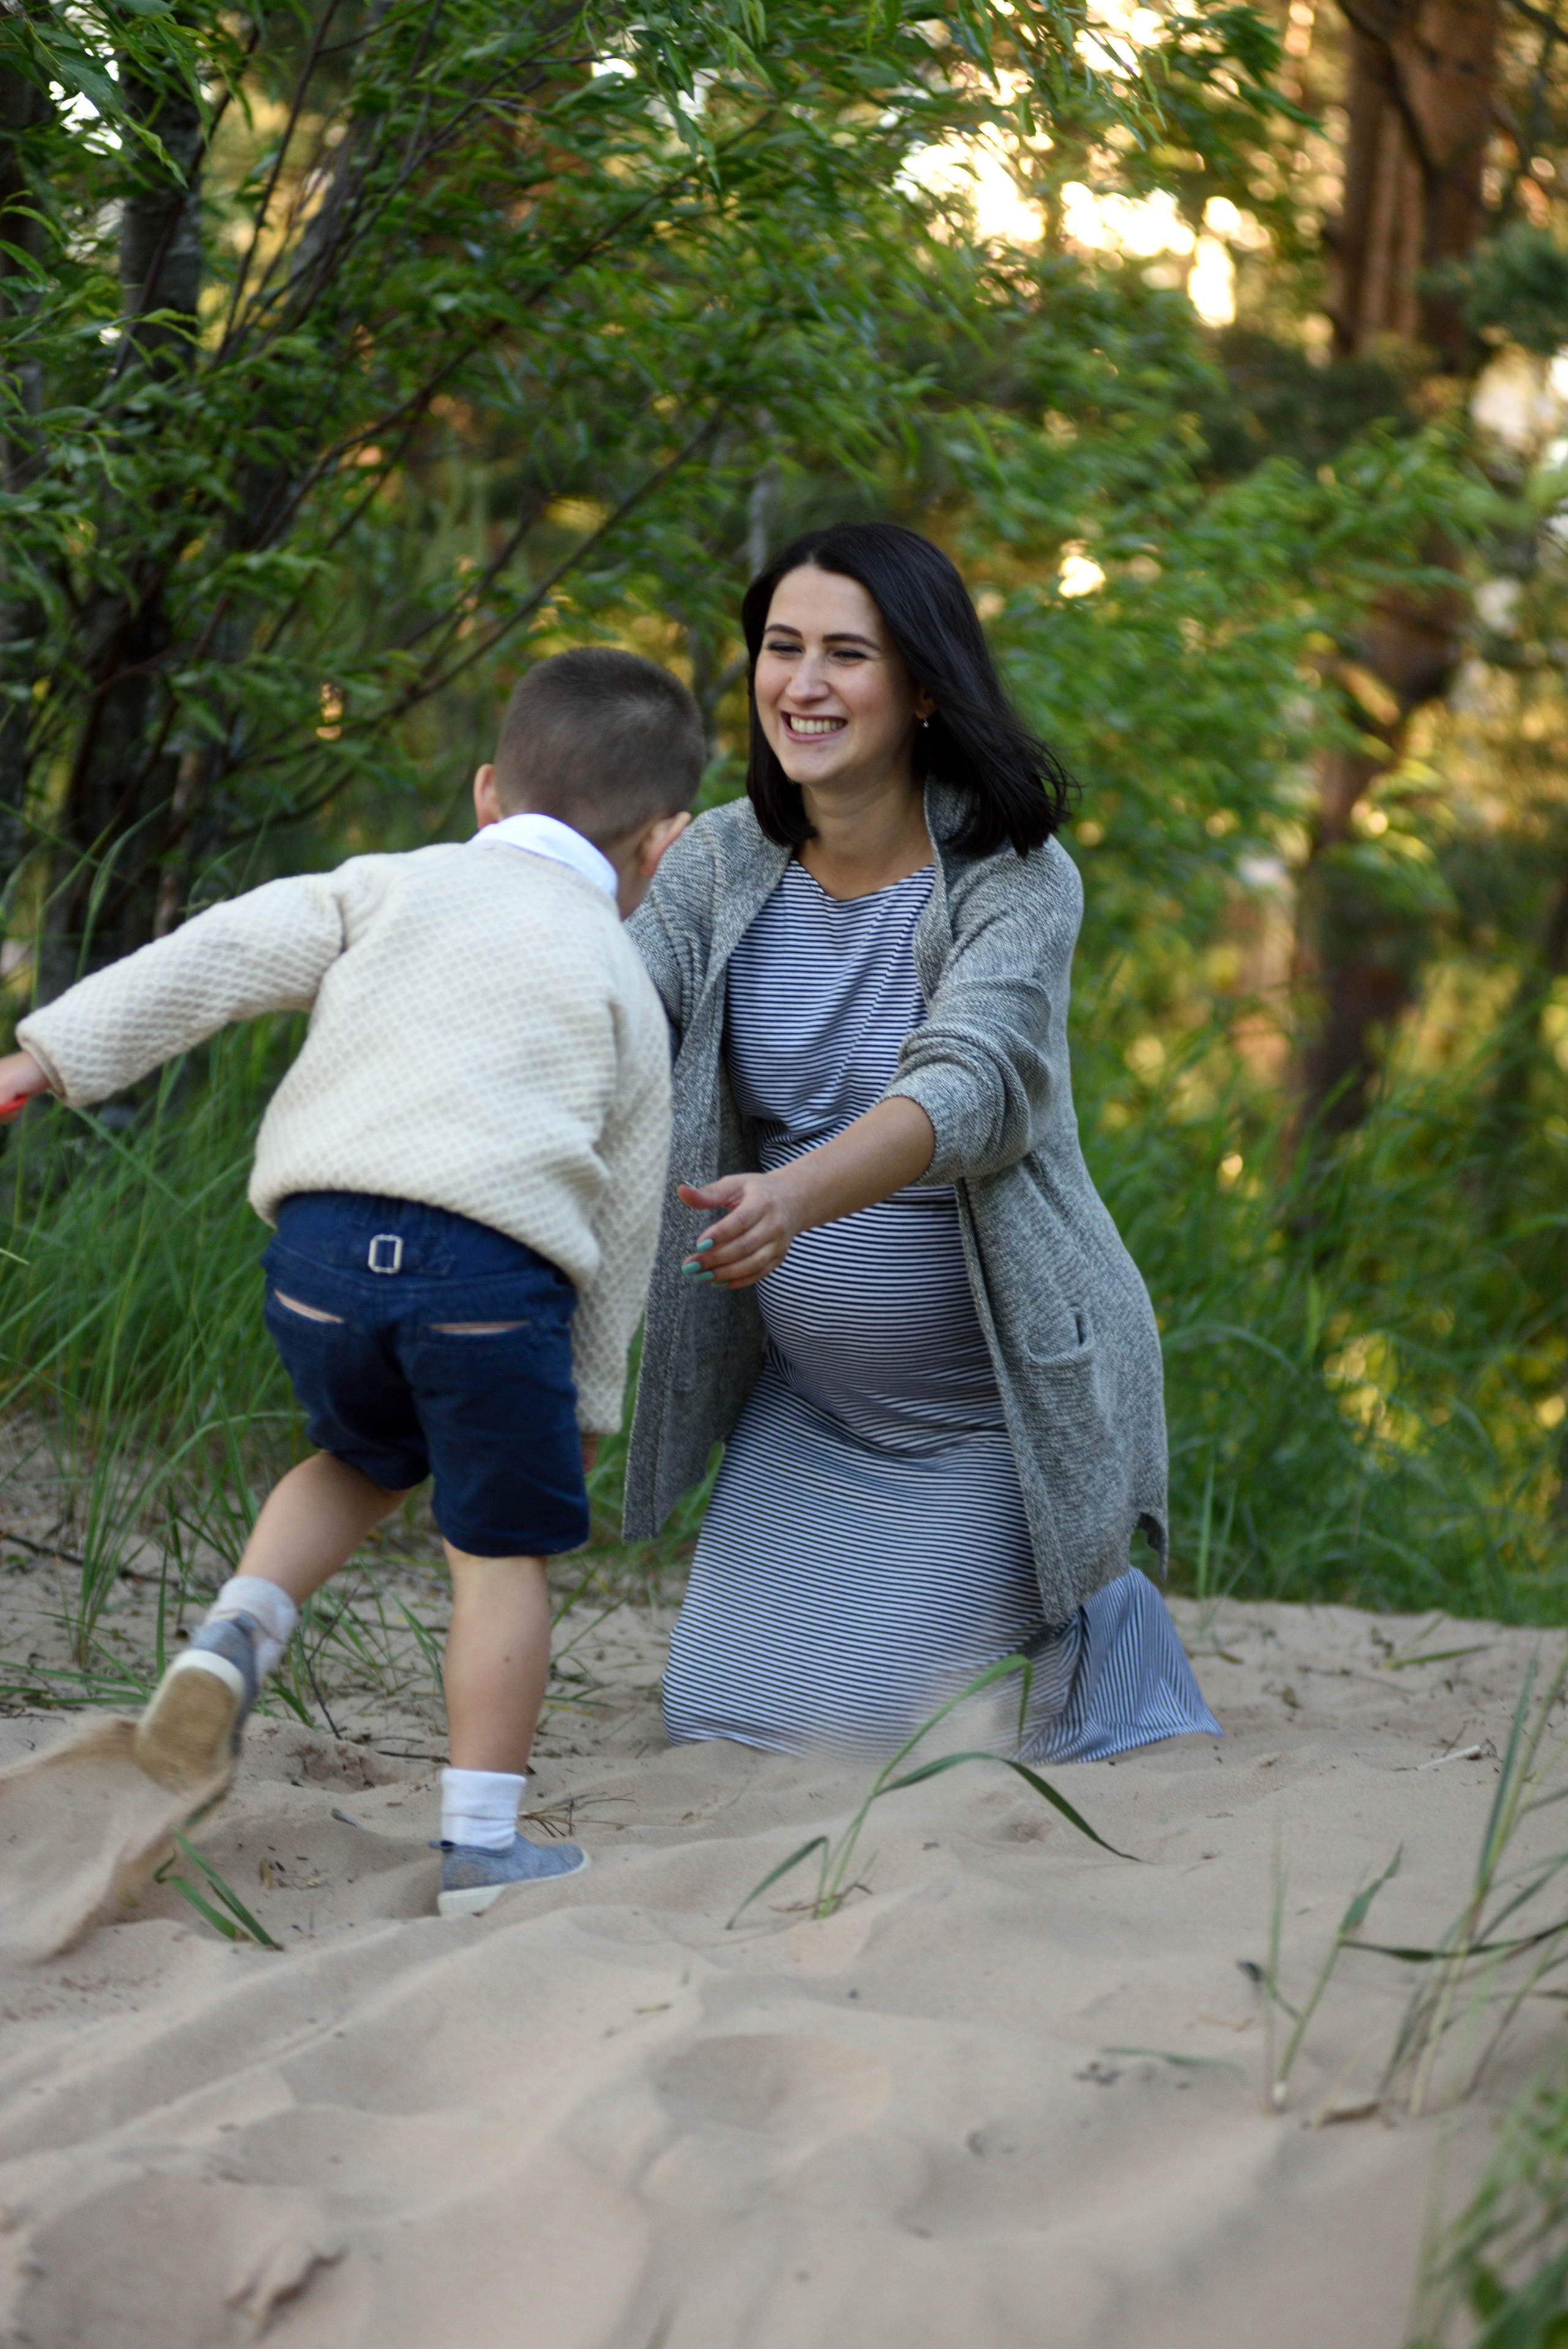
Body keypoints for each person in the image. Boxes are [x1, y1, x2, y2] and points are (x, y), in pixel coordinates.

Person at [0, 648, 699, 1913]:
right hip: (493, 1274)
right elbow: (627, 1208)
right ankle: (484, 1844)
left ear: (489, 793)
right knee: (497, 1556)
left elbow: (214, 958)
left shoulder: (383, 887)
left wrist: (49, 1056)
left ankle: (234, 1637)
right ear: (663, 844)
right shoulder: (622, 983)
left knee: (362, 1452)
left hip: (317, 1255)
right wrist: (588, 1398)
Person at [624, 523, 1221, 1760]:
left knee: (860, 1737)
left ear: (925, 688)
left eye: (847, 655)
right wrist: (532, 904)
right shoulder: (721, 863)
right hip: (812, 1406)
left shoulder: (1010, 875)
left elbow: (974, 1089)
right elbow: (619, 1012)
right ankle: (1041, 1615)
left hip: (990, 1409)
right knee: (720, 1720)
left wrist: (790, 1199)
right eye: (781, 648)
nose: (803, 684)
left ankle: (1093, 1613)